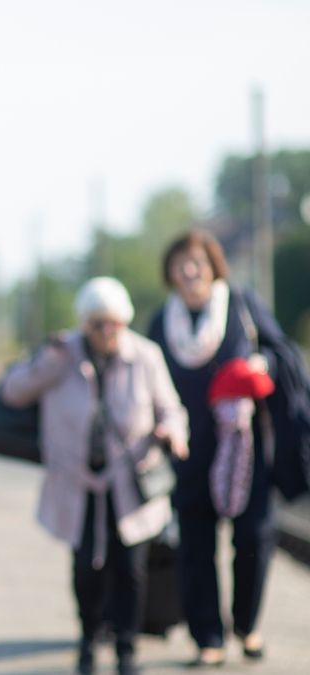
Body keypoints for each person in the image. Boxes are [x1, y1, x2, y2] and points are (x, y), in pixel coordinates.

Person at [1, 277, 188, 675]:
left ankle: (126, 649)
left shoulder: (145, 356)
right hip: (77, 485)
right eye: (96, 323)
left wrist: (172, 432)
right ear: (84, 322)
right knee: (87, 568)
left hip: (130, 482)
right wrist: (48, 362)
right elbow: (13, 392)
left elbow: (172, 409)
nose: (106, 331)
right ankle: (87, 641)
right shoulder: (61, 353)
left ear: (125, 321)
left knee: (131, 569)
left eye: (113, 323)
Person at [146, 229, 287, 668]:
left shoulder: (242, 305)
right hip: (189, 452)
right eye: (181, 265)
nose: (190, 271)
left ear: (213, 268)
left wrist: (261, 367)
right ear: (170, 273)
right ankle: (208, 638)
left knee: (254, 538)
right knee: (195, 548)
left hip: (243, 450)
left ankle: (247, 625)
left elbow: (282, 356)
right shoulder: (161, 322)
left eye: (198, 263)